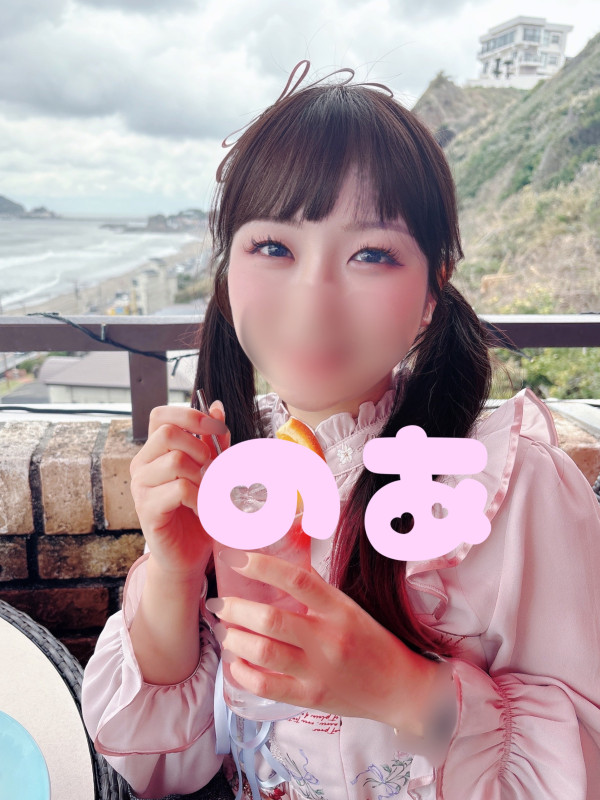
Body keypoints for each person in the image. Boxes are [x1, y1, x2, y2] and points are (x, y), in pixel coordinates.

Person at [81, 62, 600, 800]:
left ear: (432, 291)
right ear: (227, 272)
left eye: (372, 255)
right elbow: (163, 763)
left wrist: (400, 689)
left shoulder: (509, 487)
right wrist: (174, 568)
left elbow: (582, 758)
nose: (313, 299)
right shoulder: (235, 469)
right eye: (274, 247)